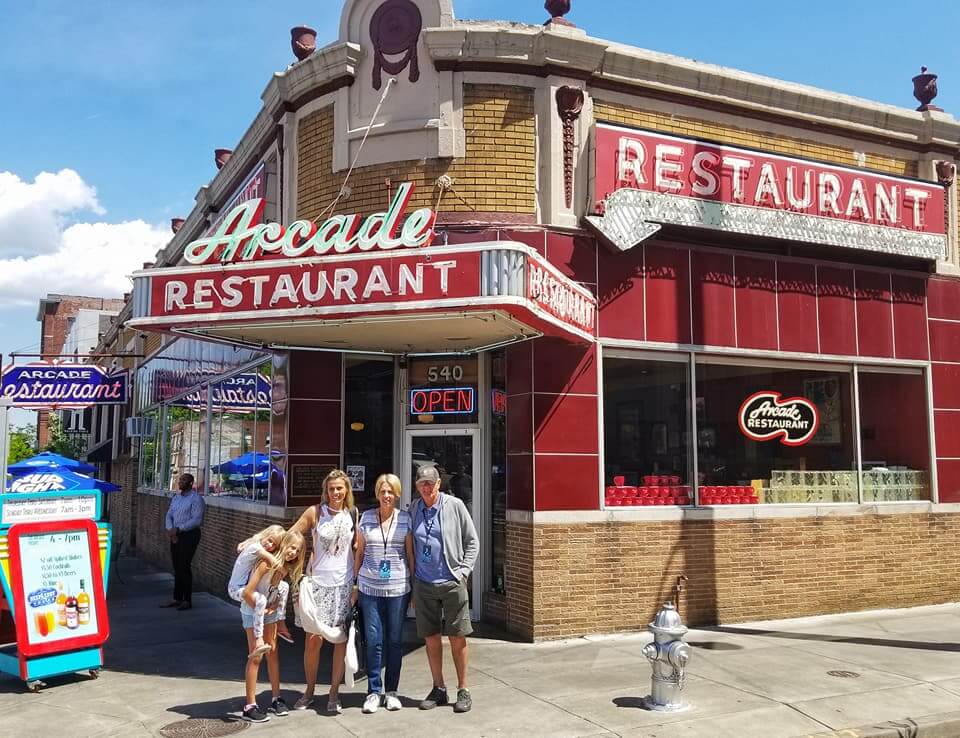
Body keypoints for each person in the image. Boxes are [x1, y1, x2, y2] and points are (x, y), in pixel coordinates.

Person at [409, 464, 479, 714]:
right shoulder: (415, 508)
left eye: (430, 483)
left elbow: (473, 542)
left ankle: (463, 689)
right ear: (416, 486)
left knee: (457, 636)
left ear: (439, 483)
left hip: (451, 582)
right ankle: (438, 687)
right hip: (424, 584)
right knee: (431, 638)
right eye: (421, 483)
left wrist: (463, 572)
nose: (426, 487)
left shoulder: (455, 506)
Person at [290, 469, 359, 715]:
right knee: (313, 640)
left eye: (340, 488)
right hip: (317, 583)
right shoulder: (315, 512)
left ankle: (333, 693)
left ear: (346, 490)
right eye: (331, 489)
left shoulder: (353, 513)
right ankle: (309, 690)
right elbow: (292, 534)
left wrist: (356, 584)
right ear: (325, 491)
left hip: (343, 585)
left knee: (340, 640)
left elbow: (357, 548)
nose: (336, 493)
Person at [354, 474, 414, 714]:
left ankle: (391, 692)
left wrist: (414, 587)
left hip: (398, 589)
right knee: (374, 640)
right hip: (369, 588)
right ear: (377, 493)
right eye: (382, 491)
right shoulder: (366, 518)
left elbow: (410, 555)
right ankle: (373, 692)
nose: (386, 496)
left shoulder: (405, 519)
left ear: (397, 494)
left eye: (390, 492)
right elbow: (359, 553)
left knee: (395, 640)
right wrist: (355, 586)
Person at [240, 530, 306, 723]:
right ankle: (249, 705)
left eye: (298, 550)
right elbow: (247, 593)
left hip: (267, 611)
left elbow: (275, 592)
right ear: (284, 544)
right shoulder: (265, 563)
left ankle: (276, 698)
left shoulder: (283, 568)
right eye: (292, 547)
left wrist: (274, 608)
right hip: (252, 611)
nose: (293, 552)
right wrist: (262, 610)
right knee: (256, 655)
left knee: (273, 652)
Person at [228, 524, 291, 657]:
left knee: (284, 587)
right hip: (236, 589)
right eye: (269, 540)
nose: (269, 545)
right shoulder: (255, 547)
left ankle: (281, 621)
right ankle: (259, 639)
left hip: (244, 586)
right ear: (264, 535)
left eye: (274, 545)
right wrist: (283, 570)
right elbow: (271, 559)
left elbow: (243, 545)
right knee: (261, 600)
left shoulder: (254, 544)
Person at [162, 473, 205, 611]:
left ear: (191, 483)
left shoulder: (196, 499)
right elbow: (169, 515)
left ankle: (187, 600)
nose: (180, 482)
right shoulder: (176, 498)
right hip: (175, 534)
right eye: (180, 480)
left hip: (189, 535)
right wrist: (171, 530)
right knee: (176, 566)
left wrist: (178, 529)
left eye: (184, 480)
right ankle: (177, 598)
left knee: (184, 565)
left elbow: (196, 520)